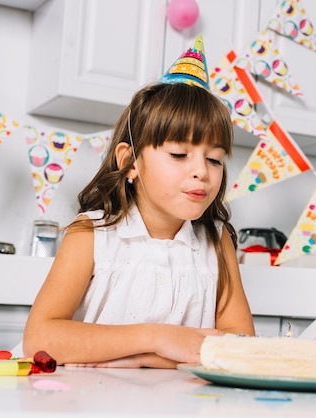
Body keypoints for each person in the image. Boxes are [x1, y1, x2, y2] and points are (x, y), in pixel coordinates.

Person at [22, 81, 255, 368]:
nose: (201, 171)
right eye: (179, 155)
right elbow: (39, 339)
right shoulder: (91, 234)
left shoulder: (216, 240)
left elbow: (240, 346)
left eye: (214, 160)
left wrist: (145, 358)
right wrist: (157, 338)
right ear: (130, 161)